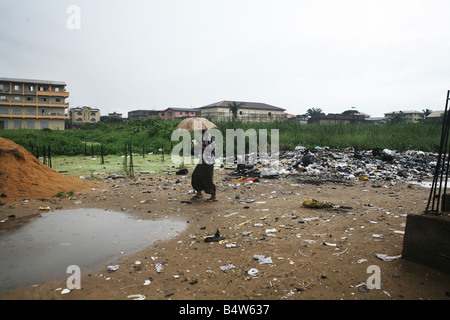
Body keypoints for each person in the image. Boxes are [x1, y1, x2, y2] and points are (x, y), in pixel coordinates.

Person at [191, 130, 217, 202]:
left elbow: (212, 149)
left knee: (207, 178)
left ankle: (213, 195)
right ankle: (199, 193)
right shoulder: (202, 137)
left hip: (208, 160)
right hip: (203, 159)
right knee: (196, 175)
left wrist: (199, 146)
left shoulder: (207, 137)